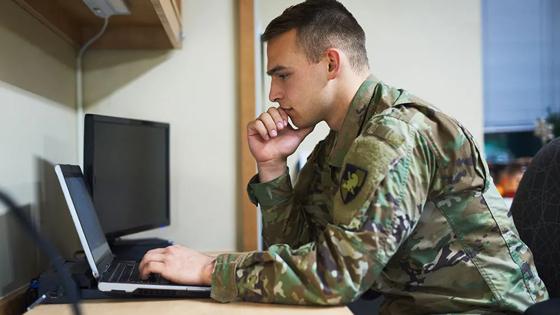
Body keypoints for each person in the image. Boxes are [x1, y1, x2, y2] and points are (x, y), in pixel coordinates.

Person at [139, 0, 548, 313]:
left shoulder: (391, 138)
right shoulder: (337, 144)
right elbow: (299, 249)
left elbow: (336, 276)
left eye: (282, 75)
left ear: (330, 63)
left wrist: (210, 270)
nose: (273, 94)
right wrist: (272, 168)